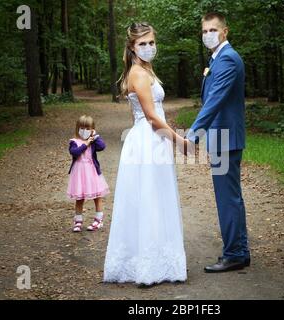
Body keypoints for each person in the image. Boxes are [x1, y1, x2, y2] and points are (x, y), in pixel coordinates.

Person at [103, 22, 187, 286]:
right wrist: (179, 140)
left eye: (151, 42)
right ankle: (147, 267)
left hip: (150, 140)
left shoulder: (144, 70)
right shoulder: (138, 73)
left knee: (153, 197)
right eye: (143, 44)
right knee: (150, 198)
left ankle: (154, 261)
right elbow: (151, 117)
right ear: (132, 46)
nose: (149, 47)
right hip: (150, 139)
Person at [185, 12, 250, 273]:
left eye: (212, 30)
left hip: (226, 139)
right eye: (204, 31)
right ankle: (239, 250)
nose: (207, 34)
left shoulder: (228, 59)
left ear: (225, 31)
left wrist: (192, 135)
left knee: (228, 199)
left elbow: (215, 100)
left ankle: (235, 253)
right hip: (221, 137)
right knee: (229, 197)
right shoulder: (217, 58)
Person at [67, 115, 110, 232]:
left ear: (92, 129)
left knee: (97, 196)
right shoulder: (74, 142)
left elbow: (102, 146)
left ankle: (98, 220)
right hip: (79, 173)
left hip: (92, 172)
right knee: (79, 198)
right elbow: (74, 152)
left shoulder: (94, 141)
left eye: (87, 128)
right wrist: (85, 144)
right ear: (78, 128)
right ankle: (78, 221)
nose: (84, 130)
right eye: (82, 128)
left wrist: (95, 136)